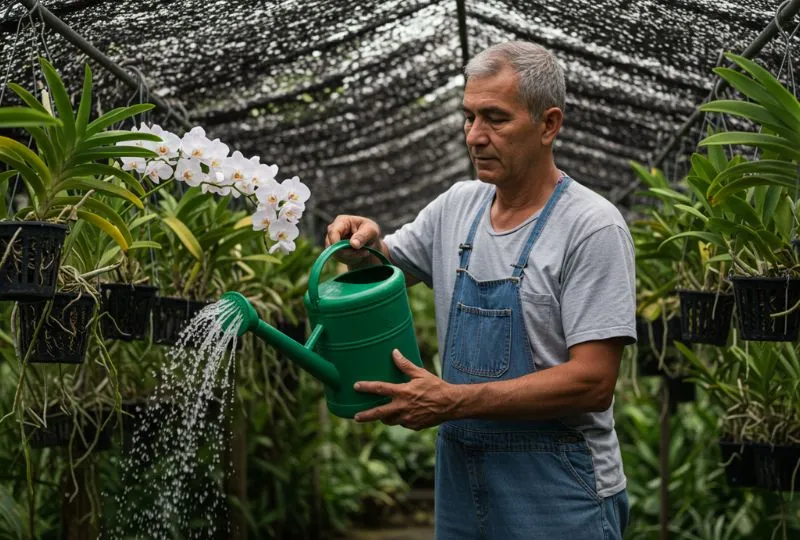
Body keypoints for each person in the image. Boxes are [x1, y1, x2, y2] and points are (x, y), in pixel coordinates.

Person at [325, 41, 635, 540]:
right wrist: (359, 242)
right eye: (469, 117)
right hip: (462, 479)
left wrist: (453, 401)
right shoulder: (457, 207)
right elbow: (385, 267)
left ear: (549, 125)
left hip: (558, 489)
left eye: (495, 118)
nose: (475, 136)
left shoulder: (591, 227)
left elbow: (593, 382)